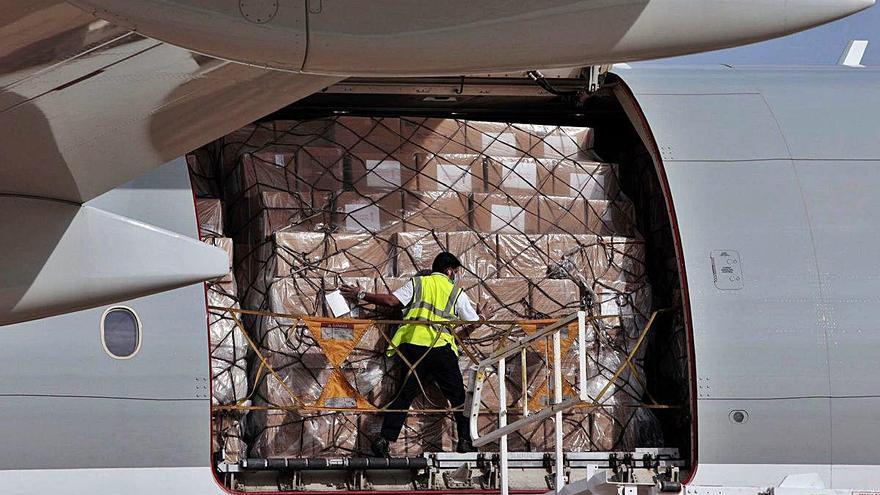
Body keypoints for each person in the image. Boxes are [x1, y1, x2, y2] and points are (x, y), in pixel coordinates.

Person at [340, 252, 482, 457]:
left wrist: (360, 294)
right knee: (459, 396)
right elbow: (472, 320)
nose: (455, 276)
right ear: (449, 270)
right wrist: (484, 315)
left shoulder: (418, 284)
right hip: (441, 348)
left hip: (413, 348)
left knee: (404, 394)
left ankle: (383, 439)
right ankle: (465, 441)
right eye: (456, 272)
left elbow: (390, 301)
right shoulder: (456, 292)